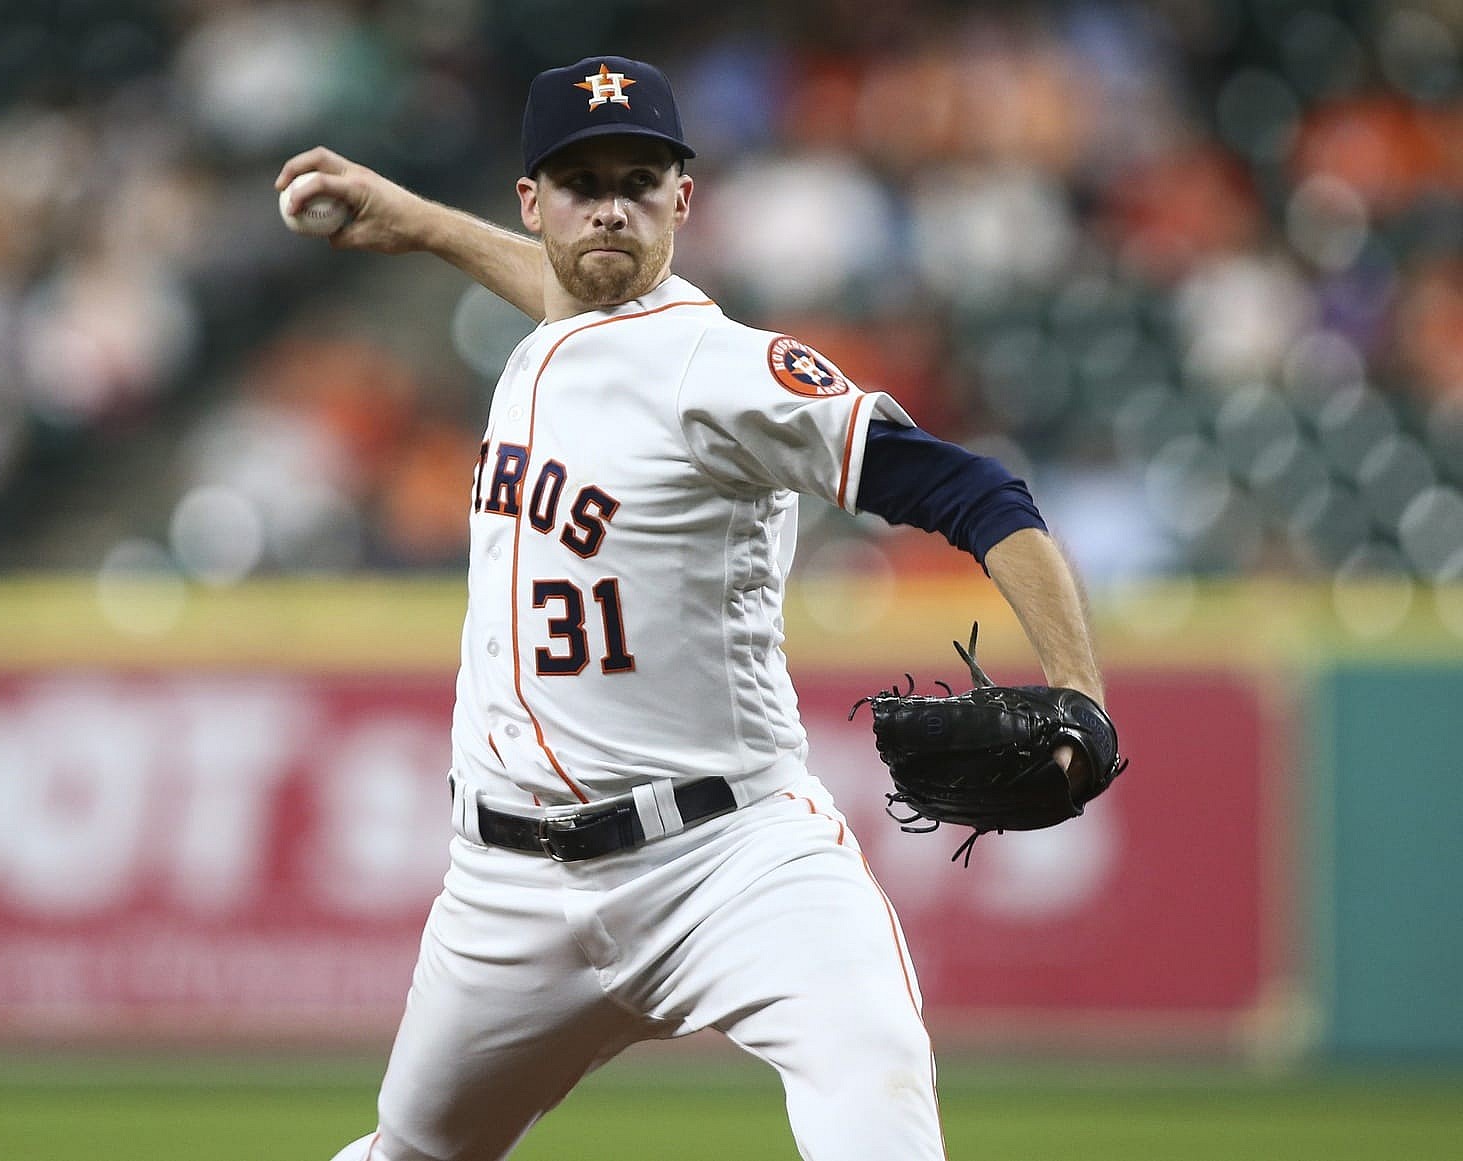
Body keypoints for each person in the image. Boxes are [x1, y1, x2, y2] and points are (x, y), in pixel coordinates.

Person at [276, 55, 1104, 1161]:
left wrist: (1082, 697)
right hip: (507, 887)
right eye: (578, 183)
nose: (609, 204)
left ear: (682, 197)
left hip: (733, 862)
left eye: (638, 177)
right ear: (533, 203)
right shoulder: (552, 337)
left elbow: (977, 491)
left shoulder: (727, 370)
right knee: (407, 1151)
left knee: (880, 1115)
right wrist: (423, 222)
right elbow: (573, 297)